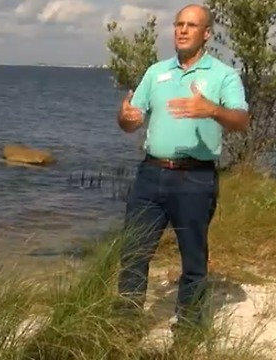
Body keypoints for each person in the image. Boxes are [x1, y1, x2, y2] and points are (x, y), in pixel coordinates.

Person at [115, 4, 250, 335]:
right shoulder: (156, 72)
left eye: (191, 25)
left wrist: (212, 109)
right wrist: (126, 119)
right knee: (134, 251)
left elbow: (241, 120)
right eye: (179, 24)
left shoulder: (223, 75)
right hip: (150, 174)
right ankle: (124, 324)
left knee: (192, 259)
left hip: (195, 177)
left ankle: (188, 329)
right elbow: (130, 120)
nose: (183, 30)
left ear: (206, 34)